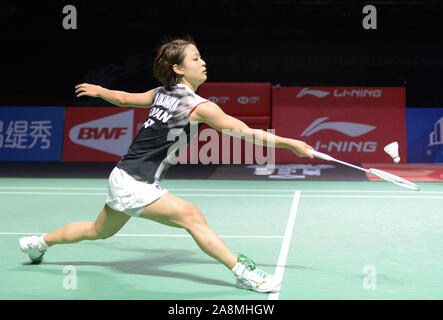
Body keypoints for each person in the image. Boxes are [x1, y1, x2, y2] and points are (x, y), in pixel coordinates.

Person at [19, 36, 314, 293]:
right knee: (192, 216)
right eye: (195, 58)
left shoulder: (162, 95)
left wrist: (102, 92)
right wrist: (291, 143)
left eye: (201, 57)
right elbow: (246, 133)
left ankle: (38, 243)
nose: (203, 62)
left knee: (100, 231)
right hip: (134, 180)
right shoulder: (197, 106)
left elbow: (123, 98)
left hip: (125, 175)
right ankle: (243, 273)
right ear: (178, 69)